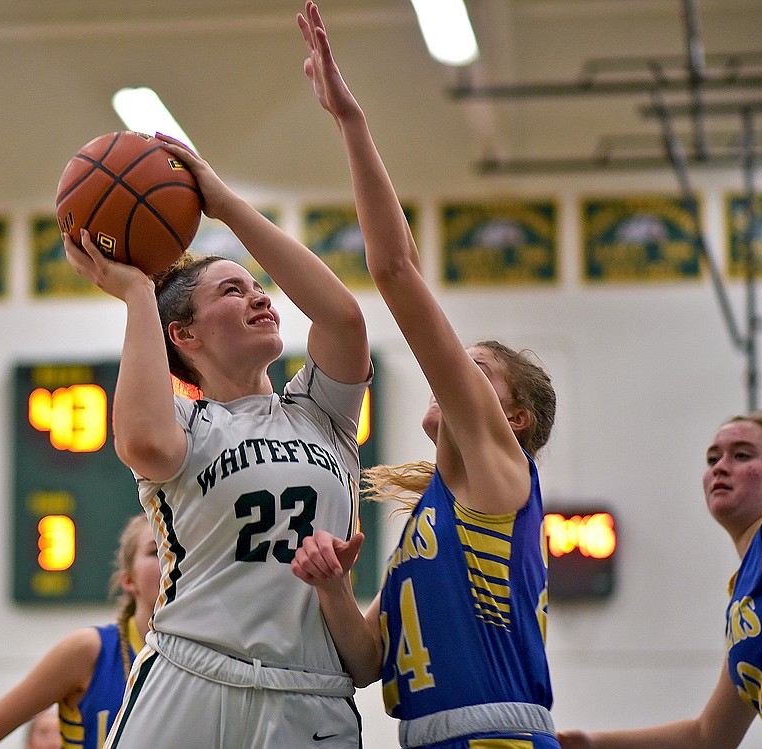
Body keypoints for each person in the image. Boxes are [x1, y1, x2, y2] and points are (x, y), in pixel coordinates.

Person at [62, 17, 371, 749]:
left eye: (258, 285)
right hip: (193, 677)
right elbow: (138, 435)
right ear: (186, 336)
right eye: (233, 291)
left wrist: (226, 204)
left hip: (310, 694)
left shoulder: (320, 413)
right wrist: (137, 294)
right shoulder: (189, 429)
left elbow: (345, 317)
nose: (261, 296)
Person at [289, 3, 561, 748]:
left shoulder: (498, 474)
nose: (454, 381)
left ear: (515, 419)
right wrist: (335, 590)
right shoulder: (430, 519)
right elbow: (369, 660)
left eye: (474, 373)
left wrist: (350, 121)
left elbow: (394, 269)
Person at [558, 411, 762, 749]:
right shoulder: (743, 602)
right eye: (712, 458)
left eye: (742, 455)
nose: (720, 466)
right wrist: (591, 742)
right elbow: (708, 736)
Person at [0, 514, 157, 749]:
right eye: (155, 551)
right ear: (128, 579)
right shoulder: (90, 651)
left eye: (178, 549)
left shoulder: (199, 656)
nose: (169, 558)